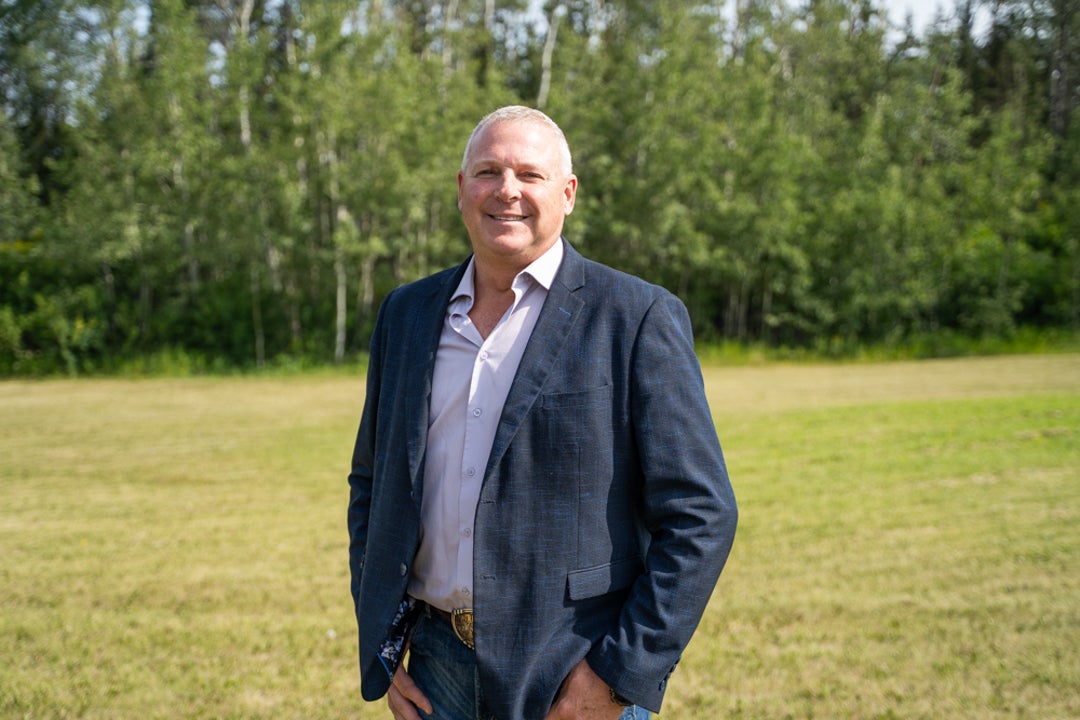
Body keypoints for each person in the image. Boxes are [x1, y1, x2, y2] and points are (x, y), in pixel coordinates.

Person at [347, 105, 737, 720]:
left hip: (570, 670)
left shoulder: (635, 318)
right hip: (433, 668)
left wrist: (617, 676)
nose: (507, 190)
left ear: (568, 193)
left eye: (530, 174)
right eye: (488, 172)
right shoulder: (407, 314)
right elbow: (373, 484)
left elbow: (701, 515)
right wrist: (383, 642)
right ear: (460, 189)